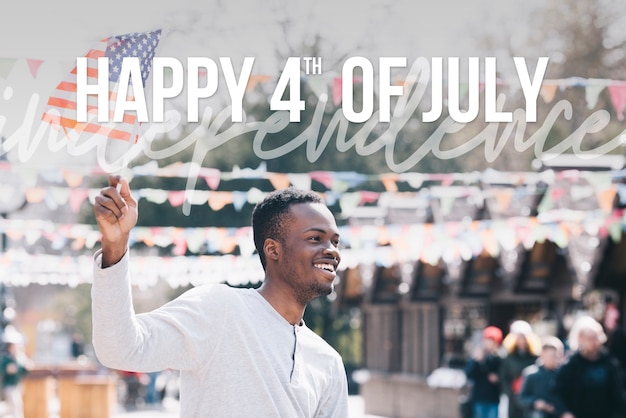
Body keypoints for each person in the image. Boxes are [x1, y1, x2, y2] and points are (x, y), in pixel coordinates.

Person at [91, 176, 349, 417]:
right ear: (273, 249)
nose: (331, 251)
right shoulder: (220, 308)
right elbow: (120, 348)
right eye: (315, 238)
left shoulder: (328, 361)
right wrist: (115, 245)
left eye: (335, 242)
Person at [553, 315, 626, 418]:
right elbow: (557, 393)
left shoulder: (610, 363)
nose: (594, 342)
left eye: (596, 338)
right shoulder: (571, 365)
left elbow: (619, 393)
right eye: (589, 339)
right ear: (580, 339)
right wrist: (564, 412)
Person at [500, 320, 541, 418]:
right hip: (514, 398)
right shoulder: (509, 357)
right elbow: (503, 376)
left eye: (523, 338)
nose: (521, 341)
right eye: (518, 338)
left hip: (530, 399)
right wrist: (510, 392)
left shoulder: (535, 357)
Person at [517, 336, 564, 418]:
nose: (555, 359)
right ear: (542, 354)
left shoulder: (562, 374)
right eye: (551, 356)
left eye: (557, 355)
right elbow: (521, 398)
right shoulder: (531, 374)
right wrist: (535, 403)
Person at [465, 326, 503, 418]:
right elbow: (469, 374)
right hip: (479, 398)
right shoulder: (477, 356)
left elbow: (505, 375)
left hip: (493, 398)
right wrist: (476, 361)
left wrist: (498, 378)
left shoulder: (500, 358)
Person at [1, 337, 30, 418]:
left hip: (18, 385)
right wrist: (7, 369)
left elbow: (24, 370)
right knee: (14, 405)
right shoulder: (5, 358)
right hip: (9, 385)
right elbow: (3, 370)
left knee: (17, 405)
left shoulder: (19, 357)